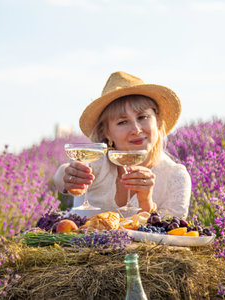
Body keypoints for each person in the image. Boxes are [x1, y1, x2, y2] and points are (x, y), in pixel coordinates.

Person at [53, 71, 191, 218]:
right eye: (122, 122)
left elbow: (171, 233)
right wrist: (68, 178)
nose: (136, 130)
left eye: (143, 117)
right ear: (107, 132)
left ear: (157, 121)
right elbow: (63, 175)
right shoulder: (99, 162)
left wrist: (146, 202)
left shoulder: (175, 177)